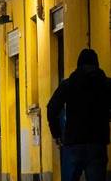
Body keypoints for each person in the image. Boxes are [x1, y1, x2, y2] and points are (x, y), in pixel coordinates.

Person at [47, 48, 111, 181]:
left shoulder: (69, 84)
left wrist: (57, 133)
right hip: (97, 142)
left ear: (78, 64)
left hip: (73, 142)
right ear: (97, 63)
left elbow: (52, 108)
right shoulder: (106, 84)